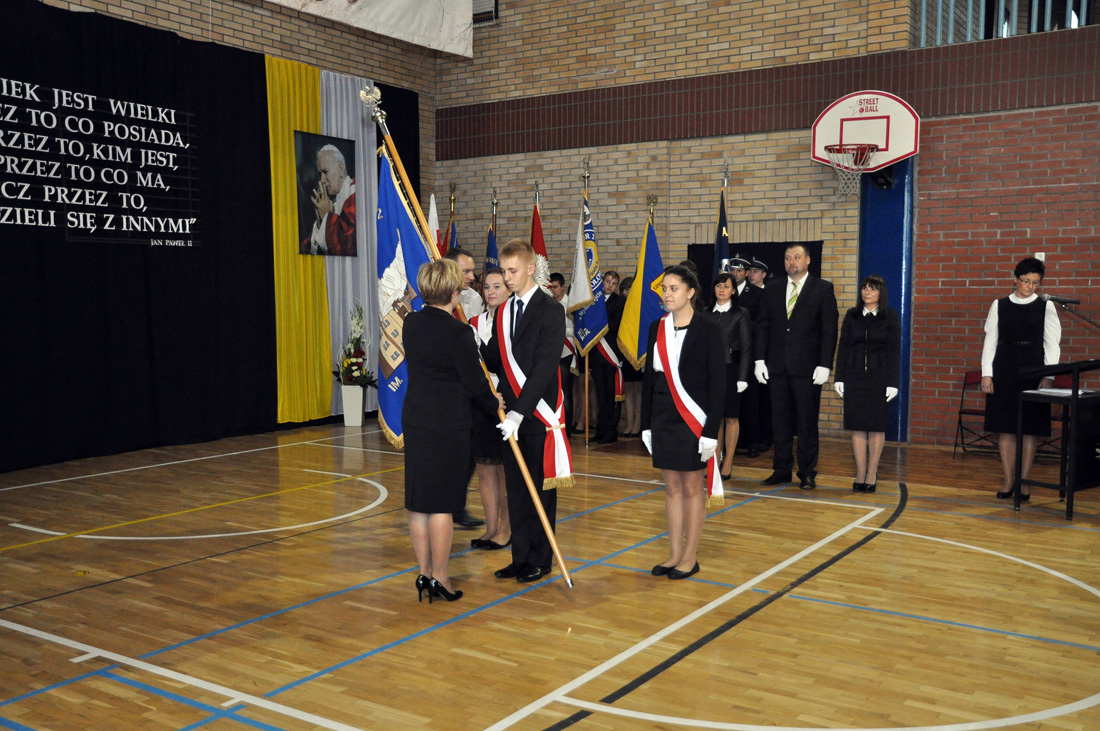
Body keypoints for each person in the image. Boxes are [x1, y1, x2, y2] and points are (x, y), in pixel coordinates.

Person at [402, 258, 504, 603]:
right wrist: (494, 401)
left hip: (416, 419)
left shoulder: (411, 323)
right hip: (447, 424)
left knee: (420, 502)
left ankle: (424, 573)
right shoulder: (459, 332)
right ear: (454, 294)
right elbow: (475, 384)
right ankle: (441, 578)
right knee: (442, 504)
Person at [482, 239, 571, 584]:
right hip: (510, 417)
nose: (506, 278)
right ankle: (519, 557)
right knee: (516, 490)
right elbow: (496, 360)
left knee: (540, 490)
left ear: (530, 269)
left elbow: (545, 367)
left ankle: (540, 559)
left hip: (537, 414)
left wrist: (520, 413)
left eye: (512, 271)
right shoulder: (504, 311)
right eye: (504, 271)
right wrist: (471, 341)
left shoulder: (550, 310)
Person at [641, 265, 726, 580]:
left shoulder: (708, 328)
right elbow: (650, 379)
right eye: (664, 289)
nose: (667, 294)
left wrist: (710, 432)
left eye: (674, 288)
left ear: (691, 292)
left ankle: (690, 557)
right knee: (671, 487)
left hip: (693, 418)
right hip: (663, 415)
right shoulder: (657, 327)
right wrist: (646, 424)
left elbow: (718, 385)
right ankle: (674, 553)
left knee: (691, 487)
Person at [754, 243, 839, 490]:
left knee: (806, 422)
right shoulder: (773, 288)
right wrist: (759, 359)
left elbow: (829, 330)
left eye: (797, 257)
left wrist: (825, 364)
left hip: (808, 368)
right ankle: (781, 470)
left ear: (808, 260)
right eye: (788, 258)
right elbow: (763, 325)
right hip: (777, 366)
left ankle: (807, 472)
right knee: (779, 422)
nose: (792, 262)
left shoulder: (822, 289)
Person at [980, 256, 1061, 501]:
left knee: (1029, 428)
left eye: (1035, 282)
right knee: (1006, 428)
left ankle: (1024, 480)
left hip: (1033, 369)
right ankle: (1008, 479)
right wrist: (987, 373)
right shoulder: (999, 305)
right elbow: (990, 341)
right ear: (1015, 279)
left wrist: (1048, 375)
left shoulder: (1046, 306)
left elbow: (1052, 344)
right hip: (1004, 368)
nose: (1030, 286)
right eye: (1026, 281)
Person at [833, 275, 901, 493]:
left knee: (876, 426)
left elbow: (894, 351)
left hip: (879, 378)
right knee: (858, 426)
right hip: (854, 377)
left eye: (872, 289)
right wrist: (839, 378)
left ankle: (872, 472)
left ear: (881, 293)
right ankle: (860, 472)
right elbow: (843, 346)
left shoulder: (889, 316)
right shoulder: (852, 315)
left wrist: (892, 382)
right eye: (864, 288)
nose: (867, 292)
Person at [442, 246, 487, 529]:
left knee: (470, 450)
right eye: (466, 271)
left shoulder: (473, 299)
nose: (471, 276)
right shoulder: (437, 299)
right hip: (446, 388)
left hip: (470, 384)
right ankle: (443, 505)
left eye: (472, 271)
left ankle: (457, 505)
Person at [469, 268, 512, 549]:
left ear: (509, 289)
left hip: (507, 401)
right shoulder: (473, 322)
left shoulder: (514, 323)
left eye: (498, 286)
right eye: (487, 286)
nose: (491, 291)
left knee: (506, 469)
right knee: (485, 468)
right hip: (482, 401)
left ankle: (507, 529)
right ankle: (491, 527)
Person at [710, 272, 751, 479]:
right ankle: (715, 460)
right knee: (714, 418)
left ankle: (728, 462)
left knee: (731, 417)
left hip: (731, 370)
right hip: (710, 372)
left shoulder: (740, 313)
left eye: (726, 286)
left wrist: (742, 377)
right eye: (718, 285)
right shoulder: (704, 312)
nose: (722, 289)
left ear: (733, 290)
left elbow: (746, 348)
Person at [301, 144, 356, 256]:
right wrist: (320, 222)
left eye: (325, 172)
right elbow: (304, 250)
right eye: (319, 174)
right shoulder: (330, 200)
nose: (322, 180)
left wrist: (327, 216)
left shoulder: (355, 197)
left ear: (340, 169)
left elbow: (347, 250)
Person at [592, 270, 624, 444]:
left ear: (617, 286)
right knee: (600, 394)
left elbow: (615, 324)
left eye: (614, 283)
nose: (610, 285)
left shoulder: (620, 302)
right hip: (597, 355)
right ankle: (600, 429)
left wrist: (598, 322)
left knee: (612, 394)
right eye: (607, 281)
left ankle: (611, 431)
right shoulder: (594, 299)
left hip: (611, 354)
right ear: (602, 281)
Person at [548, 272, 576, 439]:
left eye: (555, 287)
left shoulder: (569, 304)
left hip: (566, 353)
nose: (553, 290)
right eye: (550, 287)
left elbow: (574, 330)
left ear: (563, 287)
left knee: (565, 392)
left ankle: (567, 429)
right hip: (551, 353)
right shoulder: (547, 304)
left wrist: (558, 329)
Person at [618, 276, 644, 437]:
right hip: (625, 352)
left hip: (638, 352)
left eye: (629, 289)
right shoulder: (621, 307)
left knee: (638, 390)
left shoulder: (640, 306)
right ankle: (629, 424)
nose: (626, 292)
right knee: (627, 390)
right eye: (624, 289)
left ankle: (637, 424)